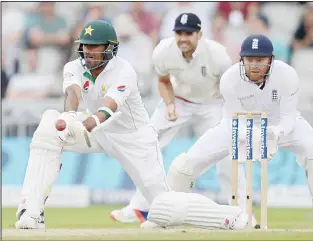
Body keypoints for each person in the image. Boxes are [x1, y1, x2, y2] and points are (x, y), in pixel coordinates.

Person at [14, 19, 251, 231]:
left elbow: (108, 108)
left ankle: (230, 216)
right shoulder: (74, 67)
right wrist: (68, 116)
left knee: (163, 209)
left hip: (134, 140)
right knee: (49, 126)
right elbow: (72, 91)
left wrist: (85, 123)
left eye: (94, 45)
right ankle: (32, 214)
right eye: (85, 45)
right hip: (98, 132)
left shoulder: (124, 71)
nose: (88, 51)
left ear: (110, 48)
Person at [150, 34, 313, 231]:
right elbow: (235, 120)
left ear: (271, 59)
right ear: (241, 59)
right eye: (250, 60)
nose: (254, 65)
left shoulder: (287, 75)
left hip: (281, 124)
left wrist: (276, 133)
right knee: (185, 166)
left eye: (260, 60)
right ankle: (165, 217)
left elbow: (289, 116)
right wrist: (257, 138)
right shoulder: (229, 79)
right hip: (236, 125)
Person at [109, 12, 255, 226]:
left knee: (227, 153)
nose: (183, 38)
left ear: (200, 34)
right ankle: (140, 206)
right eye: (179, 33)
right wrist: (169, 104)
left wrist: (230, 115)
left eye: (189, 33)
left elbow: (231, 86)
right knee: (147, 143)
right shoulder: (163, 51)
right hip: (179, 101)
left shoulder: (217, 55)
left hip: (212, 104)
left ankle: (243, 212)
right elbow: (163, 80)